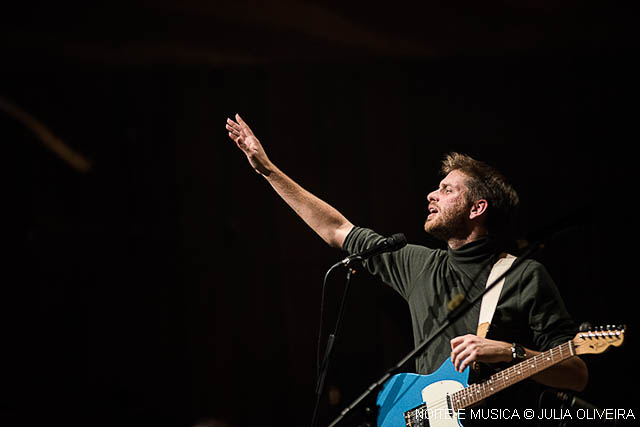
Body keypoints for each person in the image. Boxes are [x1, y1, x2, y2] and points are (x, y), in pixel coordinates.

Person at [225, 114, 588, 423]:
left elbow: (576, 374)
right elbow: (337, 229)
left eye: (447, 190)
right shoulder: (418, 263)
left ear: (477, 208)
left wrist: (509, 351)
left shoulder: (524, 276)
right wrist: (268, 171)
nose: (432, 195)